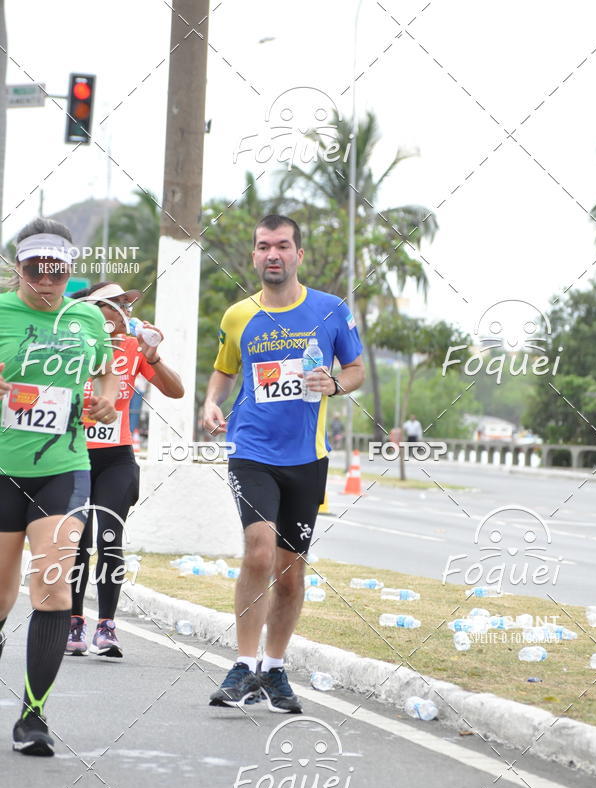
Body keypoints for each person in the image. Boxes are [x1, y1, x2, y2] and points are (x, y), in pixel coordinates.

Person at [202, 214, 365, 713]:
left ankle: (274, 669)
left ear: (298, 254)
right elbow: (224, 369)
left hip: (306, 458)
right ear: (253, 256)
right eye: (264, 246)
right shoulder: (237, 315)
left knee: (291, 573)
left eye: (283, 246)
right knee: (258, 550)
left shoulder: (331, 310)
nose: (273, 254)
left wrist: (335, 385)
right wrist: (212, 402)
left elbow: (356, 369)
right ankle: (242, 665)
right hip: (251, 451)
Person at [0, 218, 119, 756]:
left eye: (57, 272)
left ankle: (33, 718)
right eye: (34, 271)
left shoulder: (88, 318)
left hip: (64, 467)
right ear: (17, 268)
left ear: (70, 271)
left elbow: (107, 372)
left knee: (51, 588)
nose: (46, 283)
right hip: (3, 467)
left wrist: (105, 395)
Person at [65, 282, 184, 658]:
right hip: (72, 458)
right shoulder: (70, 345)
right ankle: (74, 622)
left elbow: (177, 391)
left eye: (125, 305)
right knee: (78, 542)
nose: (122, 311)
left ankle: (107, 626)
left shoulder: (133, 348)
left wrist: (155, 356)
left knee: (109, 537)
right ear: (91, 311)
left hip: (117, 458)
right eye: (113, 305)